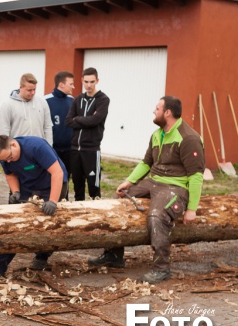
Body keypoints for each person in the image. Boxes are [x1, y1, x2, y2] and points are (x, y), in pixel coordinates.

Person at [88, 96, 205, 284]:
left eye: (157, 108)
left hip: (176, 187)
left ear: (167, 113)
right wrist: (129, 181)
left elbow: (196, 176)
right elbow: (146, 163)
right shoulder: (157, 134)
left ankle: (161, 268)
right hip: (154, 181)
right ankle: (114, 255)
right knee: (117, 202)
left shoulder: (188, 138)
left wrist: (191, 209)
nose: (153, 111)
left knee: (156, 216)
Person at [0, 135, 68, 279]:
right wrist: (16, 191)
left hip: (51, 184)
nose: (8, 161)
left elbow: (57, 172)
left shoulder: (36, 147)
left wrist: (53, 201)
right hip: (27, 186)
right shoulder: (4, 155)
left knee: (46, 224)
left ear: (14, 145)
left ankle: (42, 256)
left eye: (9, 157)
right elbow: (10, 174)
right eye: (5, 160)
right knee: (14, 226)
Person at [64, 67, 109, 201]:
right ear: (82, 81)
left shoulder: (103, 99)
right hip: (75, 150)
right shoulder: (77, 99)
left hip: (91, 150)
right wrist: (86, 119)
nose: (89, 85)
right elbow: (68, 121)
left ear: (97, 81)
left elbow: (96, 120)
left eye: (92, 82)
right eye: (86, 82)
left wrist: (77, 119)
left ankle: (96, 218)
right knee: (77, 187)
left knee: (93, 189)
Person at [0, 73, 52, 144]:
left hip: (39, 149)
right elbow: (3, 131)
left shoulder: (42, 102)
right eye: (29, 90)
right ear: (21, 87)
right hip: (18, 150)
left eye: (34, 89)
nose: (33, 93)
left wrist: (49, 147)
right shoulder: (7, 105)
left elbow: (47, 127)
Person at [44, 71, 75, 199]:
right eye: (71, 84)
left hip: (70, 149)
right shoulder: (45, 100)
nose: (73, 87)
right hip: (53, 149)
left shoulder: (72, 100)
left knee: (67, 178)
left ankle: (64, 201)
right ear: (61, 84)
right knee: (52, 178)